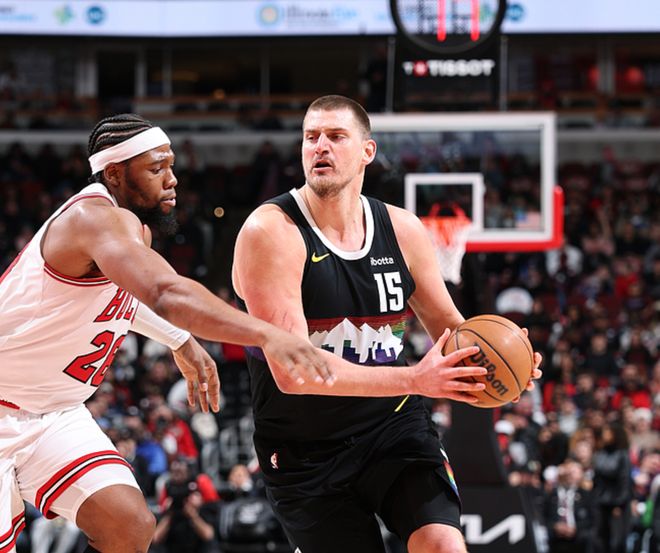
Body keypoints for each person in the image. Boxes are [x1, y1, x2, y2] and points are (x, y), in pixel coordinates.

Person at [0, 114, 332, 553]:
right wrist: (266, 334)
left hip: (54, 412)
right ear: (115, 174)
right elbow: (165, 292)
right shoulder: (93, 219)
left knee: (128, 525)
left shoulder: (130, 229)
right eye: (156, 168)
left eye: (171, 166)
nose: (172, 180)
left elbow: (126, 299)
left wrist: (181, 340)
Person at [232, 95, 543, 553]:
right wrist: (416, 379)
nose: (320, 146)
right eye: (311, 137)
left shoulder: (402, 229)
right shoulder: (271, 232)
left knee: (443, 545)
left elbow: (448, 327)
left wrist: (500, 361)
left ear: (367, 152)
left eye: (336, 136)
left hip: (392, 427)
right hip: (304, 449)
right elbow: (294, 373)